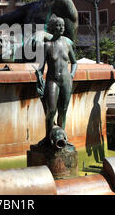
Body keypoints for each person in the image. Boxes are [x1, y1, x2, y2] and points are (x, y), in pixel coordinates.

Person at [36, 15, 77, 147]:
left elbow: (75, 62)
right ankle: (48, 137)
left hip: (66, 80)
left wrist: (72, 74)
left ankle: (62, 137)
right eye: (58, 25)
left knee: (63, 110)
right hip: (52, 80)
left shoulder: (67, 45)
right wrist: (38, 77)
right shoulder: (47, 46)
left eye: (63, 26)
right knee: (51, 110)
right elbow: (41, 67)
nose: (61, 28)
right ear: (52, 28)